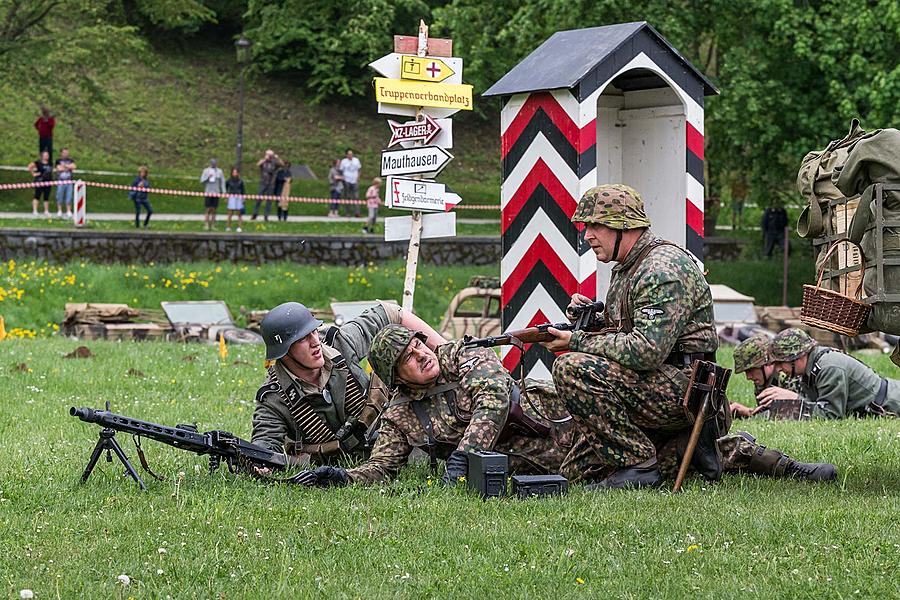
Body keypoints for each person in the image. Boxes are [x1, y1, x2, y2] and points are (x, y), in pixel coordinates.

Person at [541, 185, 834, 489]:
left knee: (571, 367)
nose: (587, 234)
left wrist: (575, 342)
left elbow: (645, 350)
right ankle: (699, 454)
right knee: (576, 472)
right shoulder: (630, 267)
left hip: (687, 389)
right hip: (660, 385)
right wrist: (590, 321)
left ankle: (638, 466)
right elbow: (631, 331)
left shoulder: (661, 269)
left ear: (624, 226)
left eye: (595, 225)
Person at [283, 324, 599, 488]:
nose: (422, 354)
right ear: (397, 378)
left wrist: (463, 457)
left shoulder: (461, 355)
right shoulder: (400, 415)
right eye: (408, 356)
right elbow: (381, 467)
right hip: (547, 471)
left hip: (576, 428)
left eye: (418, 344)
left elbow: (493, 397)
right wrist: (342, 477)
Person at [251, 302, 446, 465]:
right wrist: (259, 463)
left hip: (392, 436)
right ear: (284, 352)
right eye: (302, 339)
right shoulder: (275, 396)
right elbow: (263, 446)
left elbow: (390, 312)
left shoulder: (339, 344)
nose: (315, 342)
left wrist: (446, 350)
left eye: (313, 332)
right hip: (346, 465)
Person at [768, 328, 900, 418]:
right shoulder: (811, 366)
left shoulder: (828, 367)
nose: (778, 368)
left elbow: (831, 414)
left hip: (893, 402)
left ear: (799, 356)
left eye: (781, 362)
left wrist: (796, 399)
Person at [730, 335, 803, 419]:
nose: (748, 377)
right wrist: (747, 412)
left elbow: (791, 413)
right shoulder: (766, 381)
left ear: (766, 362)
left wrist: (750, 414)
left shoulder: (787, 378)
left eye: (751, 370)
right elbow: (767, 411)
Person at [253, 150, 283, 221]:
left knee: (269, 200)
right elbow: (258, 164)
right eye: (268, 154)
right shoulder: (264, 161)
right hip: (263, 182)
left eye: (270, 155)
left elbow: (282, 164)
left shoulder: (274, 162)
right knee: (258, 199)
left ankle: (266, 215)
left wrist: (277, 158)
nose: (269, 156)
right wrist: (264, 159)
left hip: (271, 184)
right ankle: (255, 213)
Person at [200, 159, 224, 230]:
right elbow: (202, 181)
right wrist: (208, 178)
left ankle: (213, 224)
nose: (213, 164)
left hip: (216, 192)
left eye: (215, 163)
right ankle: (206, 224)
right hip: (208, 192)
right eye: (212, 163)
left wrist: (224, 192)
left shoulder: (220, 171)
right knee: (207, 209)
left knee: (214, 209)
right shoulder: (206, 171)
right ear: (210, 164)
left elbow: (222, 182)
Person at [28, 151, 53, 217]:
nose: (47, 156)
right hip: (39, 181)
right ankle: (35, 210)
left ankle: (46, 211)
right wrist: (34, 173)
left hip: (48, 182)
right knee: (37, 195)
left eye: (47, 155)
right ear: (42, 156)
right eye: (45, 155)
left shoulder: (50, 163)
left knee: (46, 197)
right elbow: (30, 166)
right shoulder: (38, 162)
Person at [54, 148, 76, 218]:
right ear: (61, 153)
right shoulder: (58, 161)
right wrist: (68, 167)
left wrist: (65, 166)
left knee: (69, 196)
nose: (66, 154)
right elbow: (59, 168)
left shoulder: (71, 160)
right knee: (59, 196)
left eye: (67, 152)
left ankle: (68, 211)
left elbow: (74, 167)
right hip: (61, 181)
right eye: (64, 152)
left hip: (69, 181)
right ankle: (59, 210)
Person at [339, 148, 361, 218]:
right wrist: (343, 178)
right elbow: (341, 170)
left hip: (354, 180)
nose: (350, 155)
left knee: (356, 197)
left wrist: (358, 177)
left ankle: (357, 212)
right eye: (349, 154)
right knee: (347, 197)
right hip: (347, 180)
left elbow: (359, 169)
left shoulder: (356, 160)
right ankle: (347, 212)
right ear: (346, 155)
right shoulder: (344, 161)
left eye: (351, 154)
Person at [225, 167, 245, 232]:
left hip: (238, 197)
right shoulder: (229, 180)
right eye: (233, 172)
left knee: (239, 213)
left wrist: (243, 198)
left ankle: (239, 227)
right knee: (230, 213)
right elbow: (226, 188)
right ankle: (228, 227)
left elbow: (243, 190)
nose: (235, 174)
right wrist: (226, 197)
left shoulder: (241, 181)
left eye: (236, 172)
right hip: (231, 196)